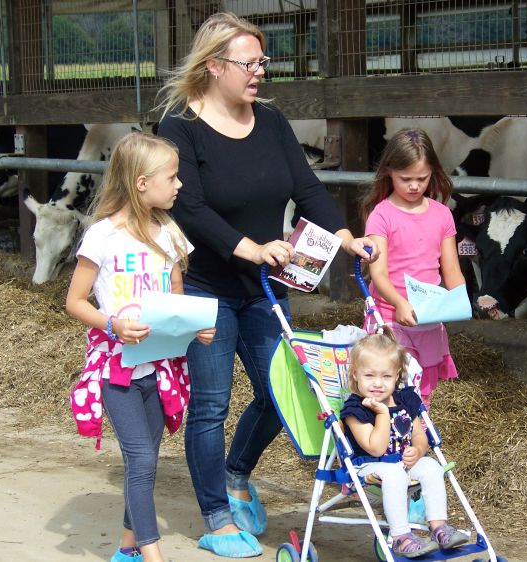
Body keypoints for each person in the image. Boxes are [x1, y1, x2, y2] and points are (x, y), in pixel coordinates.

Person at [154, 11, 377, 558]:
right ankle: (216, 516)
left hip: (264, 288)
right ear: (213, 66)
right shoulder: (179, 126)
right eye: (249, 63)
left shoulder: (271, 121)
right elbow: (191, 207)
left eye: (262, 62)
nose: (259, 72)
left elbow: (306, 187)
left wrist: (346, 235)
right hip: (207, 286)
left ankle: (235, 476)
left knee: (285, 392)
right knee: (211, 404)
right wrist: (248, 247)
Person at [65, 132, 216, 562]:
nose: (180, 184)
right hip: (117, 367)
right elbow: (74, 301)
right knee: (142, 460)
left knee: (144, 460)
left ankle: (126, 549)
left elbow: (176, 303)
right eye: (172, 176)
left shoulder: (169, 235)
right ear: (141, 182)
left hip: (160, 365)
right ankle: (154, 555)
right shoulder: (102, 237)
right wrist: (112, 325)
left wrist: (195, 330)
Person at [361, 127, 466, 411]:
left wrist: (460, 301)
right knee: (389, 386)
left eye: (422, 178)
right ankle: (386, 444)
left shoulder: (442, 214)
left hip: (428, 316)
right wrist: (400, 303)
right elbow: (378, 274)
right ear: (389, 173)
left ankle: (416, 445)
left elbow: (451, 270)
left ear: (433, 172)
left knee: (424, 389)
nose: (414, 186)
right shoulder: (381, 215)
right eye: (405, 179)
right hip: (391, 316)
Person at [340, 330, 469, 558]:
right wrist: (381, 414)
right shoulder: (355, 410)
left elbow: (419, 435)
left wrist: (418, 450)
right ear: (356, 374)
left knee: (431, 466)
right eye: (370, 376)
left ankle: (439, 527)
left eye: (386, 377)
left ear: (397, 375)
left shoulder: (405, 400)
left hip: (402, 462)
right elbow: (375, 448)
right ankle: (400, 538)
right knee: (394, 474)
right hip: (370, 466)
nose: (378, 384)